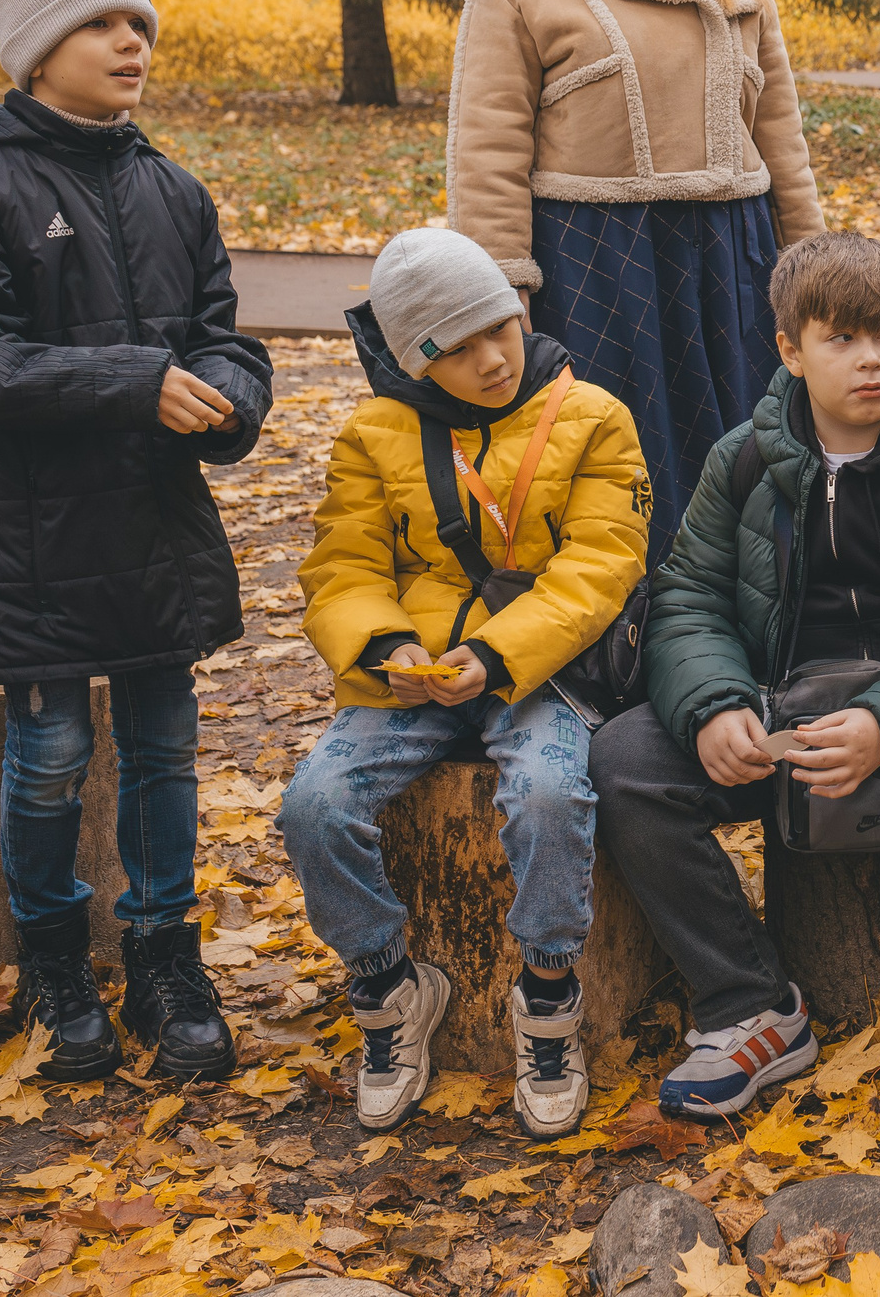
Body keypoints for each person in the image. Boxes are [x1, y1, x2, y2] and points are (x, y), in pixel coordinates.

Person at [0, 0, 274, 1084]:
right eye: (103, 24)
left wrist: (236, 395)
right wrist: (133, 381)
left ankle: (166, 954)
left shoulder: (172, 188)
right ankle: (55, 958)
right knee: (50, 753)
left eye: (141, 26)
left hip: (154, 533)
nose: (132, 43)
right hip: (35, 543)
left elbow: (219, 328)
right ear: (34, 49)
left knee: (165, 750)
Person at [595, 233, 880, 1122]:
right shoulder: (746, 459)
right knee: (624, 759)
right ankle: (752, 1007)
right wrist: (716, 704)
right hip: (781, 709)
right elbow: (687, 595)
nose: (872, 358)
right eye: (841, 337)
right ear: (790, 349)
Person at [280, 228, 649, 1138]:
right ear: (415, 359)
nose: (490, 358)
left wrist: (497, 654)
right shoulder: (374, 433)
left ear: (521, 309)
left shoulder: (593, 415)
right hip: (413, 675)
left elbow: (601, 566)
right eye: (456, 347)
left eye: (500, 327)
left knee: (553, 794)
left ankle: (549, 992)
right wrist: (385, 649)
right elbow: (343, 563)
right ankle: (386, 984)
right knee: (314, 805)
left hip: (538, 669)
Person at [448, 0, 826, 557]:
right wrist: (498, 285)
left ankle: (752, 622)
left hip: (733, 251)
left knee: (749, 449)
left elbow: (779, 127)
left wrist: (811, 259)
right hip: (601, 258)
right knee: (623, 462)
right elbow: (488, 140)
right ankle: (627, 641)